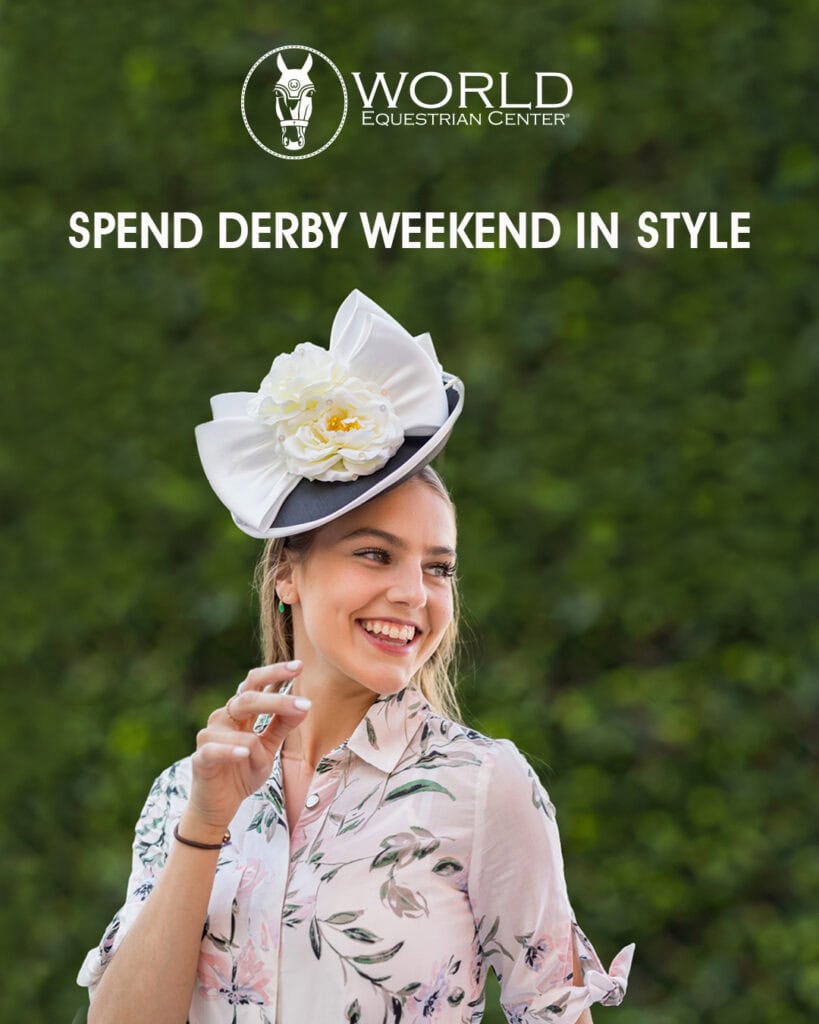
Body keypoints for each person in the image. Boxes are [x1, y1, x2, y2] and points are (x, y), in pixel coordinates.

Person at [77, 291, 634, 1024]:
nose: (413, 593)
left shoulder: (481, 785)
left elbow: (555, 1012)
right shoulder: (184, 793)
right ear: (287, 575)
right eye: (375, 555)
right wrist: (205, 824)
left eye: (438, 568)